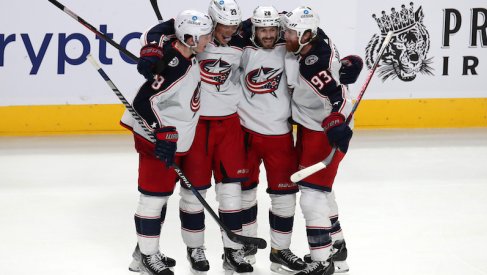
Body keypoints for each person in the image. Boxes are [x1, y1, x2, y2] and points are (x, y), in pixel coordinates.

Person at [130, 1, 254, 274]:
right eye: (221, 27)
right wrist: (152, 50)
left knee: (229, 191)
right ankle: (176, 250)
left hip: (203, 127)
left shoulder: (197, 50)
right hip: (185, 130)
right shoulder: (181, 52)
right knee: (175, 194)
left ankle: (232, 251)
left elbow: (276, 26)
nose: (229, 32)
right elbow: (162, 31)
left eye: (234, 25)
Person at [120, 10, 213, 275]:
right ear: (192, 37)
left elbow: (168, 26)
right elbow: (142, 102)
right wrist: (161, 132)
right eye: (205, 35)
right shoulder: (174, 63)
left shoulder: (188, 54)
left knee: (172, 196)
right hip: (158, 139)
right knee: (153, 198)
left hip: (180, 136)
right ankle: (148, 257)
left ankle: (142, 254)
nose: (209, 40)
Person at [282, 6, 363, 275]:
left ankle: (321, 261)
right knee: (321, 192)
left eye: (291, 32)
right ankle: (337, 248)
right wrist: (351, 62)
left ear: (306, 35)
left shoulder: (313, 63)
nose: (286, 35)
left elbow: (336, 96)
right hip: (310, 126)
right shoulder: (317, 35)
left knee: (312, 196)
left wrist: (336, 123)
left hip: (325, 131)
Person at [236, 6, 307, 274]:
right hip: (246, 134)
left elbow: (316, 35)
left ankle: (280, 251)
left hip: (280, 136)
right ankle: (246, 245)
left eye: (272, 29)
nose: (267, 34)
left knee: (285, 196)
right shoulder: (241, 51)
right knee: (244, 194)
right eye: (262, 29)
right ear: (252, 29)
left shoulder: (290, 50)